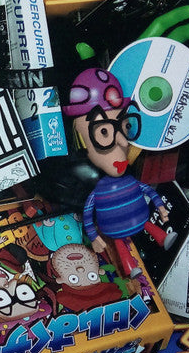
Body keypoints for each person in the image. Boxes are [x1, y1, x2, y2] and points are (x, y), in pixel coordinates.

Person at [62, 68, 176, 278]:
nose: (123, 141)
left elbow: (148, 191)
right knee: (120, 243)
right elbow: (87, 213)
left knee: (142, 228)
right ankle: (130, 267)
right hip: (115, 229)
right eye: (104, 131)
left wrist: (160, 207)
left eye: (125, 126)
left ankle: (163, 237)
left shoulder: (124, 178)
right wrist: (94, 237)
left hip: (140, 219)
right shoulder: (92, 187)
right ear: (79, 142)